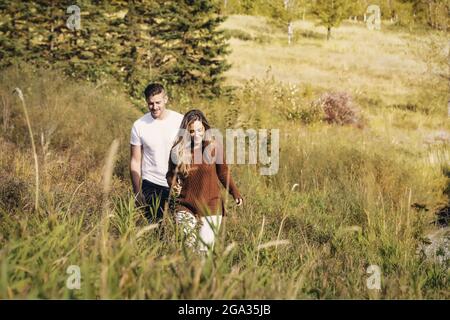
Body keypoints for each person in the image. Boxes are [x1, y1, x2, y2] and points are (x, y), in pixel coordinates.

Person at [166, 109, 243, 254]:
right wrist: (173, 184)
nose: (197, 135)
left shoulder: (214, 148)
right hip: (185, 204)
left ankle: (200, 276)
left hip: (211, 205)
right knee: (187, 249)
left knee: (203, 252)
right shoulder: (178, 150)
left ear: (205, 128)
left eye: (200, 130)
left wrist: (235, 192)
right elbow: (170, 174)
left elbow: (223, 172)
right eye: (192, 131)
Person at [130, 83, 183, 223]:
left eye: (158, 102)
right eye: (150, 103)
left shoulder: (180, 121)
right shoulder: (139, 125)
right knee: (156, 227)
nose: (154, 107)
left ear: (165, 99)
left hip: (177, 183)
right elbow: (135, 161)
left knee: (180, 227)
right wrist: (137, 192)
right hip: (151, 183)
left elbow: (191, 152)